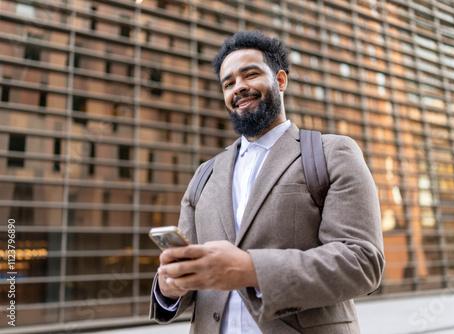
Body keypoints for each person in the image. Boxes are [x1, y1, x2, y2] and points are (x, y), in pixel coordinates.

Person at [150, 30, 385, 333]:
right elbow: (193, 271)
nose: (239, 88)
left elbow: (362, 261)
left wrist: (251, 270)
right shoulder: (205, 174)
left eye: (250, 74)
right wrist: (169, 288)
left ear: (281, 81)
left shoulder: (333, 153)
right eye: (229, 83)